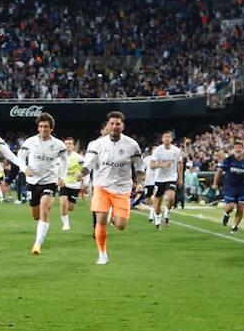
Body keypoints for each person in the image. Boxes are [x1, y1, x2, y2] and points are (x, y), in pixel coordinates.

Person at [85, 112, 144, 266]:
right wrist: (81, 174)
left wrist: (139, 182)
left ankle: (114, 215)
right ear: (108, 125)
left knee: (120, 225)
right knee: (100, 220)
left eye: (118, 124)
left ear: (122, 126)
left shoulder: (132, 145)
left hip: (122, 188)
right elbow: (89, 163)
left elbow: (139, 166)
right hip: (101, 186)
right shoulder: (97, 144)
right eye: (112, 123)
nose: (115, 126)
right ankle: (102, 254)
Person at [19, 112, 67, 255]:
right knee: (35, 215)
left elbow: (65, 161)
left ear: (51, 128)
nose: (43, 129)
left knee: (44, 210)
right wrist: (24, 169)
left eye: (46, 126)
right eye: (40, 126)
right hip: (33, 182)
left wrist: (62, 177)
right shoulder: (30, 142)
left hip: (49, 182)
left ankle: (37, 244)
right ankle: (40, 231)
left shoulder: (58, 144)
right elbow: (20, 157)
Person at [213, 141, 244, 233]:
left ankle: (235, 226)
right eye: (236, 147)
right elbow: (219, 171)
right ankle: (226, 213)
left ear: (243, 149)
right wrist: (215, 183)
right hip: (230, 187)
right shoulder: (228, 160)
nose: (238, 149)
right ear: (233, 149)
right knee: (231, 206)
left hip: (242, 188)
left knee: (241, 208)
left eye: (240, 147)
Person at [148, 131, 183, 229]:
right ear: (162, 139)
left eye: (169, 137)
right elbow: (151, 165)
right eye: (165, 137)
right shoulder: (158, 150)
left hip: (171, 177)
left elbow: (180, 164)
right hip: (159, 178)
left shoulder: (176, 150)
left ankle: (167, 213)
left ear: (172, 139)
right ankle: (158, 220)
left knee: (171, 197)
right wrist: (162, 164)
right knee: (158, 201)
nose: (167, 138)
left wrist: (180, 178)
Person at [58, 137, 86, 231]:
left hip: (75, 185)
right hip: (64, 184)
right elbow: (55, 169)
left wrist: (83, 181)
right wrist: (57, 179)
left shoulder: (79, 158)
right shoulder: (60, 157)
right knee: (63, 204)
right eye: (66, 144)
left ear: (73, 146)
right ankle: (66, 224)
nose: (68, 146)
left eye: (70, 144)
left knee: (70, 207)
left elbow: (85, 170)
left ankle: (67, 215)